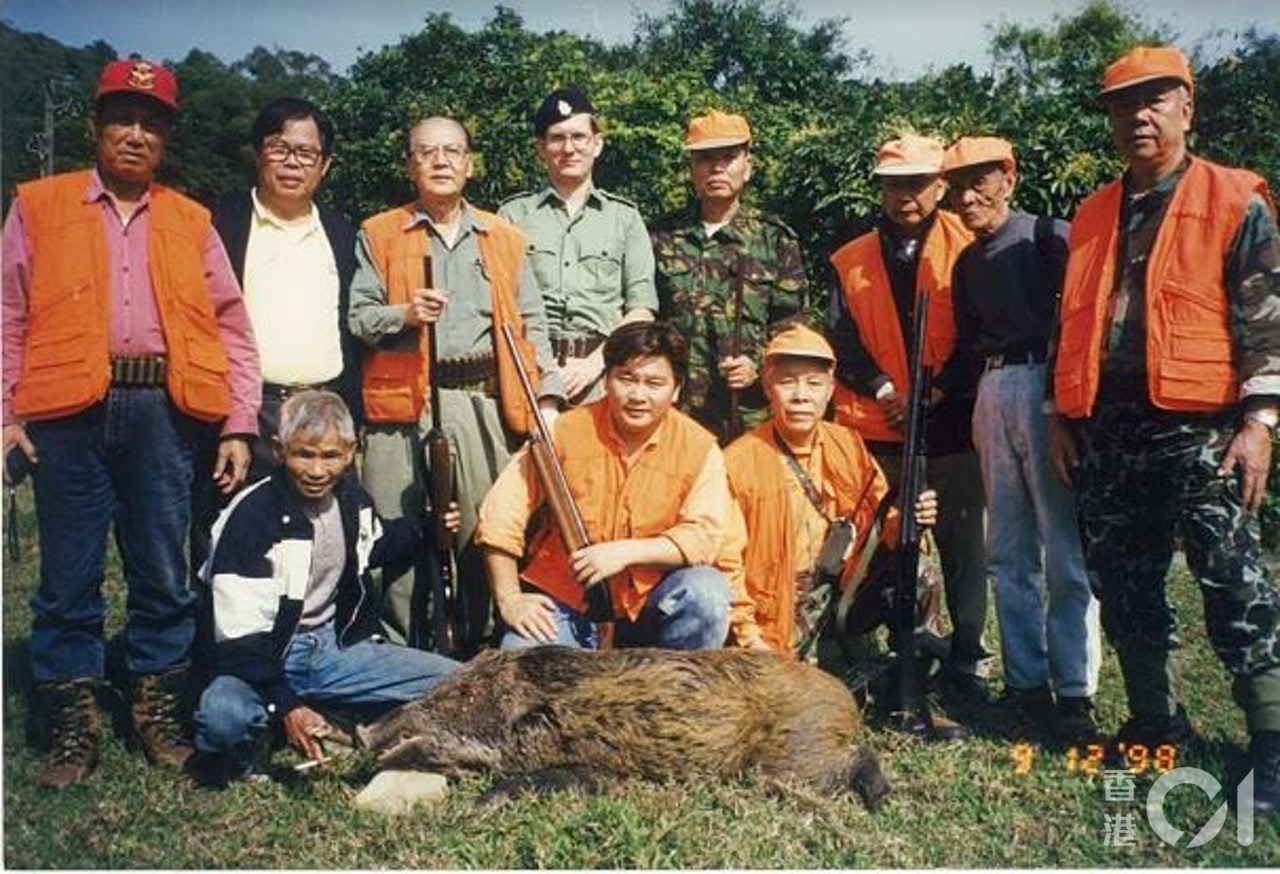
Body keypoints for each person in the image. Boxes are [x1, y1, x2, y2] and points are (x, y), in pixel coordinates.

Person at [0, 58, 261, 789]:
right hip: (65, 419)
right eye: (122, 118)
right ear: (95, 125)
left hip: (163, 418)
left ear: (167, 136)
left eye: (152, 123)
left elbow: (232, 327)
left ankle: (159, 715)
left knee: (162, 573)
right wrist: (5, 417)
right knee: (67, 579)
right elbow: (8, 314)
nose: (136, 134)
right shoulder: (38, 205)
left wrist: (238, 423)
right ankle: (71, 728)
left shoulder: (192, 219)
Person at [1047, 45, 1280, 812]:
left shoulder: (1232, 199)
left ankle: (1272, 743)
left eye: (1154, 100)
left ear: (1188, 106)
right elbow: (1071, 324)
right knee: (1126, 584)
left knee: (1234, 585)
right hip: (1109, 433)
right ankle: (1155, 719)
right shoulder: (1090, 214)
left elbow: (1266, 323)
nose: (1138, 115)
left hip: (1202, 429)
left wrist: (1260, 421)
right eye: (1123, 103)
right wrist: (1061, 413)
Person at [348, 115, 566, 656]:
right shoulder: (378, 232)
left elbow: (532, 327)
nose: (440, 161)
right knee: (394, 529)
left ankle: (479, 646)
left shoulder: (505, 238)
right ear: (410, 164)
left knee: (483, 529)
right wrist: (404, 313)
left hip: (482, 404)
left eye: (452, 152)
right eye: (426, 152)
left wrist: (549, 396)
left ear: (469, 164)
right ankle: (400, 650)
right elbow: (358, 317)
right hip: (402, 409)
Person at [192, 390, 459, 784]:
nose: (317, 471)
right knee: (223, 718)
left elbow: (375, 544)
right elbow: (239, 641)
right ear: (279, 449)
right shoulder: (252, 516)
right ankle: (253, 747)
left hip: (333, 649)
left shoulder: (350, 499)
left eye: (330, 456)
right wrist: (286, 706)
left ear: (350, 452)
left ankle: (327, 710)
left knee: (455, 681)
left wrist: (427, 525)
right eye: (305, 455)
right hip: (262, 655)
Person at [943, 136, 1102, 740]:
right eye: (955, 187)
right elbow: (965, 345)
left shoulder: (1049, 238)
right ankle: (1025, 683)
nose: (966, 197)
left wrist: (1066, 407)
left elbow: (1082, 325)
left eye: (978, 181)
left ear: (1009, 176)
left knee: (1063, 547)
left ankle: (1074, 692)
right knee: (1006, 548)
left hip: (1048, 386)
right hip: (992, 388)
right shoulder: (967, 263)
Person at [827, 134, 989, 703]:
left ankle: (967, 659)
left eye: (918, 184)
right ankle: (879, 644)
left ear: (940, 186)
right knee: (879, 546)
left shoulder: (971, 245)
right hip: (876, 429)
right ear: (880, 190)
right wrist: (887, 388)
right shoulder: (850, 259)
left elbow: (979, 335)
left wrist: (936, 392)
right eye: (895, 185)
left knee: (962, 546)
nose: (906, 197)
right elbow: (840, 341)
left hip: (954, 428)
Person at [475, 321, 733, 651]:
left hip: (650, 602)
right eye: (626, 378)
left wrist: (625, 553)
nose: (639, 395)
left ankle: (670, 694)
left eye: (655, 383)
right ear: (607, 380)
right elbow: (500, 516)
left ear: (677, 389)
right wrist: (509, 597)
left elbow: (704, 537)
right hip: (568, 599)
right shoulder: (563, 433)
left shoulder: (699, 447)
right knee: (520, 657)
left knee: (707, 596)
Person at [723, 324, 939, 658]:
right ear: (767, 387)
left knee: (918, 570)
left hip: (842, 590)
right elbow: (726, 565)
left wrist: (914, 520)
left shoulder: (847, 444)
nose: (801, 396)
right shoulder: (738, 460)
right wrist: (750, 639)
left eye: (813, 383)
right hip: (773, 607)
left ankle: (911, 675)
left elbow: (887, 528)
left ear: (830, 390)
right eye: (787, 382)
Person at [210, 96, 360, 475]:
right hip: (245, 411)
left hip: (325, 409)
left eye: (307, 153)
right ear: (258, 154)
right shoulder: (219, 222)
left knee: (326, 531)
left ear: (324, 165)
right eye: (279, 148)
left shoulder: (343, 232)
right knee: (235, 527)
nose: (293, 162)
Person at [651, 110, 810, 441]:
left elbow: (792, 327)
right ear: (692, 170)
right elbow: (646, 319)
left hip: (749, 413)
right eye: (705, 158)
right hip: (675, 413)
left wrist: (760, 365)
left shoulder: (775, 239)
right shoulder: (659, 236)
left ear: (747, 167)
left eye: (728, 157)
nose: (717, 167)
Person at [498, 85, 657, 404]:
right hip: (529, 374)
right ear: (541, 148)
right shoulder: (512, 216)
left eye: (579, 137)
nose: (568, 148)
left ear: (596, 144)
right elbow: (503, 307)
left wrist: (593, 364)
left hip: (601, 375)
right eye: (557, 138)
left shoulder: (624, 218)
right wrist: (544, 372)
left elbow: (642, 308)